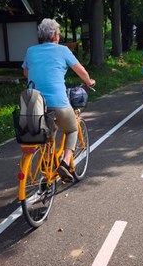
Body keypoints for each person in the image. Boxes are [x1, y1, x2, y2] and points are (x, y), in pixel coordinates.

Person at [22, 18, 96, 182]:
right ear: (55, 35)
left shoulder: (31, 51)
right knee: (72, 129)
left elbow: (26, 73)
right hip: (58, 102)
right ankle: (65, 163)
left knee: (48, 133)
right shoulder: (63, 50)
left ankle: (47, 164)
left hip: (34, 104)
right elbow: (80, 70)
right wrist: (89, 82)